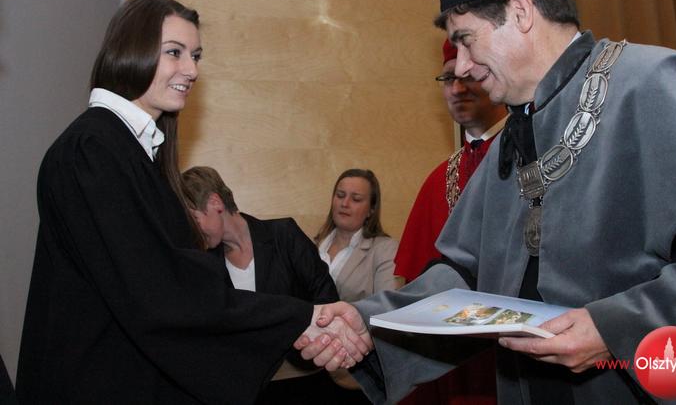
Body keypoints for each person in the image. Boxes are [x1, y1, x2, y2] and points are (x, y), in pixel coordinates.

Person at [300, 0, 676, 404]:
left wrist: (615, 330)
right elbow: (467, 280)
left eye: (466, 40)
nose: (463, 67)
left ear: (520, 12)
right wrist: (370, 323)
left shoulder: (654, 83)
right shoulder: (510, 138)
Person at [15, 0, 369, 404]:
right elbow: (161, 293)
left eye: (196, 56)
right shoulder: (93, 150)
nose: (192, 70)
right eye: (174, 52)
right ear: (131, 50)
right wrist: (301, 317)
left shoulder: (125, 151)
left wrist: (302, 319)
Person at [394, 39, 507, 405]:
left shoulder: (535, 155)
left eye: (468, 76)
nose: (457, 89)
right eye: (447, 78)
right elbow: (415, 287)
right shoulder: (436, 181)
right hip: (452, 367)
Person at [181, 165, 346, 404]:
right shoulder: (205, 262)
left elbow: (326, 297)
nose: (192, 230)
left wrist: (307, 339)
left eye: (193, 219)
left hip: (305, 379)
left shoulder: (283, 235)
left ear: (215, 202)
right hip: (247, 389)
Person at [314, 168, 404, 401]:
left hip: (357, 371)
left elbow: (388, 310)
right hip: (309, 367)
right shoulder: (312, 247)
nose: (345, 203)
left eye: (356, 199)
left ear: (371, 209)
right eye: (340, 195)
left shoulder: (385, 249)